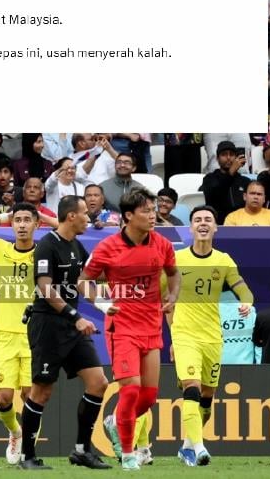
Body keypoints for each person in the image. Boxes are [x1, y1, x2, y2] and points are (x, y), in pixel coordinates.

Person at [82, 188, 179, 471]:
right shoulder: (107, 247)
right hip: (122, 327)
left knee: (148, 397)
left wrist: (172, 297)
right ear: (128, 216)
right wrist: (101, 303)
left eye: (153, 210)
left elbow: (173, 274)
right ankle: (127, 454)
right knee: (131, 390)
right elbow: (83, 280)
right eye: (146, 211)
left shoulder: (162, 243)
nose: (153, 215)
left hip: (152, 326)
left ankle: (115, 422)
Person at [18, 195, 110, 470]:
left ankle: (81, 450)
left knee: (98, 383)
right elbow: (45, 289)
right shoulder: (47, 245)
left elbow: (83, 283)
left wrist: (106, 306)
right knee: (41, 391)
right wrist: (76, 316)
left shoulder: (76, 245)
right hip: (48, 326)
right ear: (71, 216)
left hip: (71, 327)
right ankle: (27, 457)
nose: (88, 218)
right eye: (84, 213)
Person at [0, 203, 57, 465]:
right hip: (6, 334)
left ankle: (29, 451)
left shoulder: (44, 252)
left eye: (26, 220)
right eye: (17, 220)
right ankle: (15, 432)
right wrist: (5, 216)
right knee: (4, 397)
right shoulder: (1, 249)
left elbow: (66, 230)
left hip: (35, 335)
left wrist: (43, 217)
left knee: (31, 396)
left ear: (36, 224)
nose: (21, 224)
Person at [167, 205, 253, 466]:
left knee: (207, 396)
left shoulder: (224, 260)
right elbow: (166, 301)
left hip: (213, 337)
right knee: (191, 388)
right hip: (184, 334)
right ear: (191, 228)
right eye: (197, 220)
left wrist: (247, 303)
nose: (202, 223)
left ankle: (187, 446)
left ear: (215, 227)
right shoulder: (176, 259)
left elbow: (244, 290)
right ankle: (200, 449)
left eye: (208, 220)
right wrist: (172, 337)